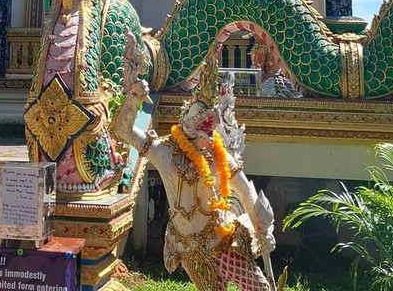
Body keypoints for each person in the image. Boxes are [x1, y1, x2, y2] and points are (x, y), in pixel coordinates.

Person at [114, 40, 284, 291]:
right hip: (188, 247)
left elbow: (246, 192)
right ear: (188, 129)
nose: (208, 141)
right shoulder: (166, 154)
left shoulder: (218, 158)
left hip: (221, 240)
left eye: (210, 134)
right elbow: (124, 131)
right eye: (203, 134)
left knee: (259, 288)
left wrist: (263, 230)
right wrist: (133, 99)